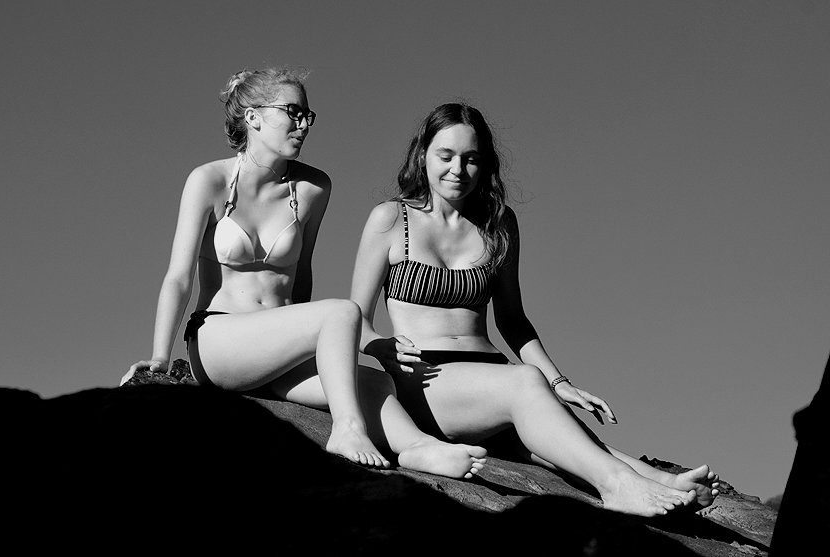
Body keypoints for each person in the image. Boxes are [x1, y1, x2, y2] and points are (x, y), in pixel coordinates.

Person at [350, 102, 720, 516]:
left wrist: (559, 383)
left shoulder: (498, 223)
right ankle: (617, 488)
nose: (458, 169)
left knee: (563, 439)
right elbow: (356, 319)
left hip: (491, 377)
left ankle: (663, 483)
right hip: (425, 380)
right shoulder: (391, 219)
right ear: (423, 156)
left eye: (471, 159)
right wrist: (380, 347)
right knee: (526, 384)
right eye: (446, 156)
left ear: (485, 164)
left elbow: (513, 320)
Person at [121, 69, 486, 479]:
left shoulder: (314, 188)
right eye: (292, 112)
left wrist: (314, 351)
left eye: (308, 115)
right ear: (253, 117)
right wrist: (159, 357)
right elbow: (178, 277)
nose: (303, 124)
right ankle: (347, 431)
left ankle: (420, 448)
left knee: (371, 383)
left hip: (276, 354)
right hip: (220, 341)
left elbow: (302, 274)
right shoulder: (209, 181)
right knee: (343, 312)